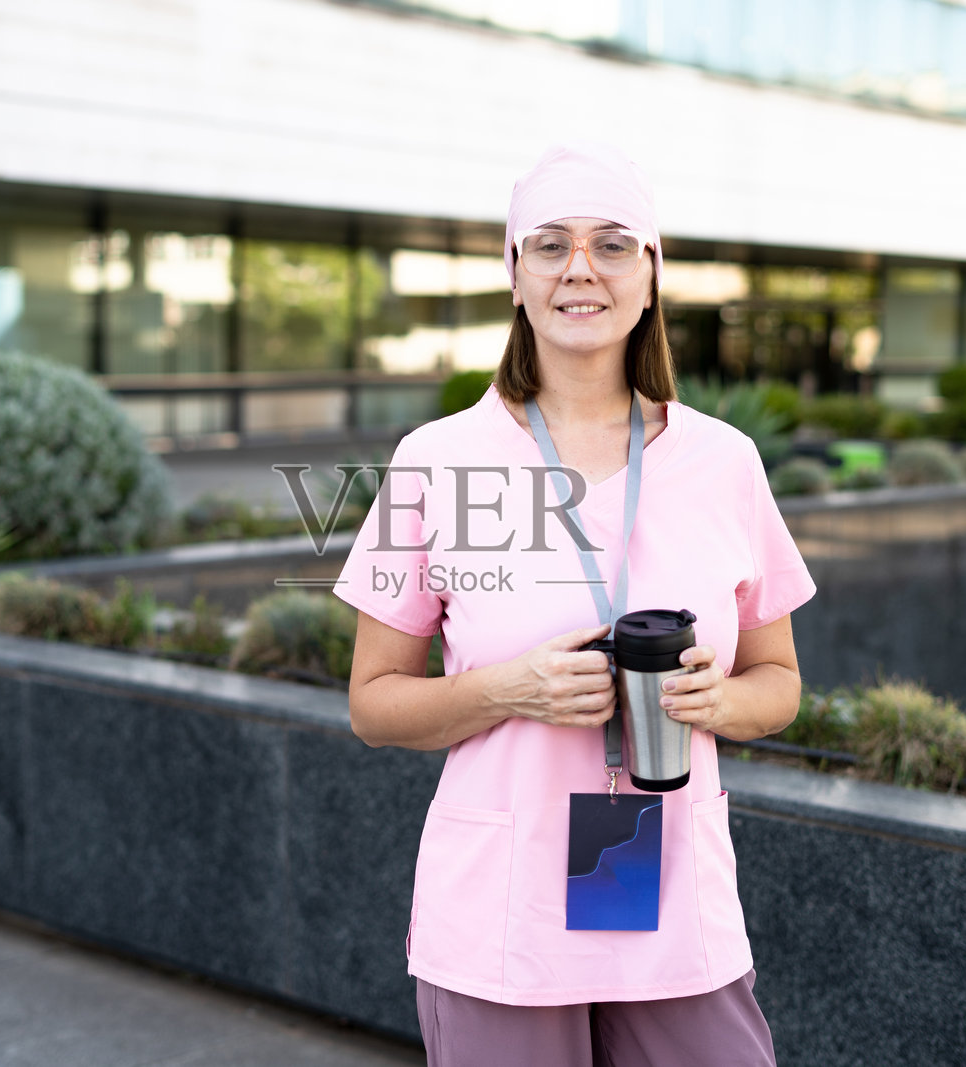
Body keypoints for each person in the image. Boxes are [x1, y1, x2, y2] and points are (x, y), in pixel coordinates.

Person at [334, 142, 816, 1067]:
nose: (580, 268)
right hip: (499, 913)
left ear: (651, 275)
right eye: (550, 245)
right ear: (515, 277)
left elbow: (780, 682)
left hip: (675, 900)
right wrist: (506, 691)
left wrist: (721, 701)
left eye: (612, 243)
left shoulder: (724, 462)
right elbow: (373, 702)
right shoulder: (437, 460)